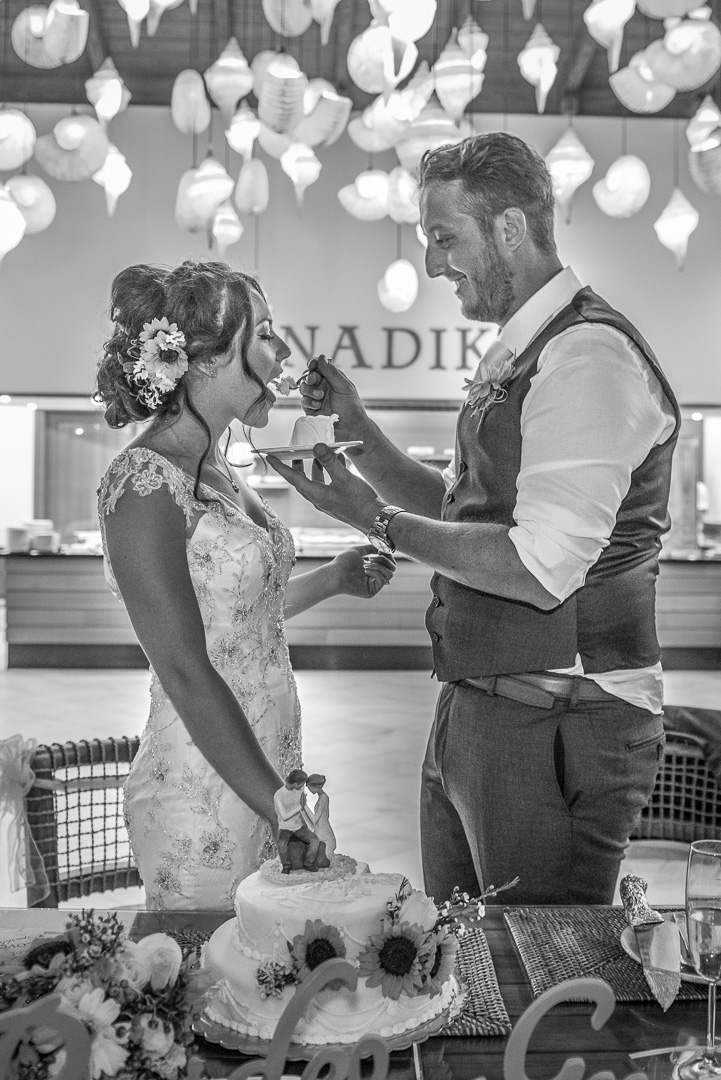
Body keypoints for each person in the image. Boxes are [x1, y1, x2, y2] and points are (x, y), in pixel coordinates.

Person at [269, 132, 681, 907]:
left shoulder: (587, 358)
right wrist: (359, 432)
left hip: (558, 721)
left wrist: (375, 519)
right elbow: (467, 511)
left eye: (443, 238)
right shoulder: (527, 349)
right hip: (484, 705)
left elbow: (533, 565)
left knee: (542, 964)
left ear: (509, 230)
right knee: (466, 955)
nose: (432, 264)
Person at [95, 259, 395, 910]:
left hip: (267, 763)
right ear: (202, 362)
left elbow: (240, 618)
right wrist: (283, 810)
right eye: (264, 334)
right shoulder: (144, 485)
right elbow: (183, 666)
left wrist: (335, 580)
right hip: (201, 791)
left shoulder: (224, 471)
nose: (283, 352)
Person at [274, 769, 322, 873]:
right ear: (295, 783)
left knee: (314, 840)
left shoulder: (300, 790)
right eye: (302, 784)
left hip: (299, 826)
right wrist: (300, 806)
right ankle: (286, 866)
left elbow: (303, 806)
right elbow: (284, 816)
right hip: (285, 828)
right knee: (281, 844)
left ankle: (308, 862)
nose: (303, 786)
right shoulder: (279, 795)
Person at [305, 773, 336, 860]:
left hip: (323, 834)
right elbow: (327, 816)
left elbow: (315, 819)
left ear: (315, 786)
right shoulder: (323, 797)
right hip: (320, 830)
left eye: (309, 787)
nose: (309, 790)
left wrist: (304, 806)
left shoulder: (323, 799)